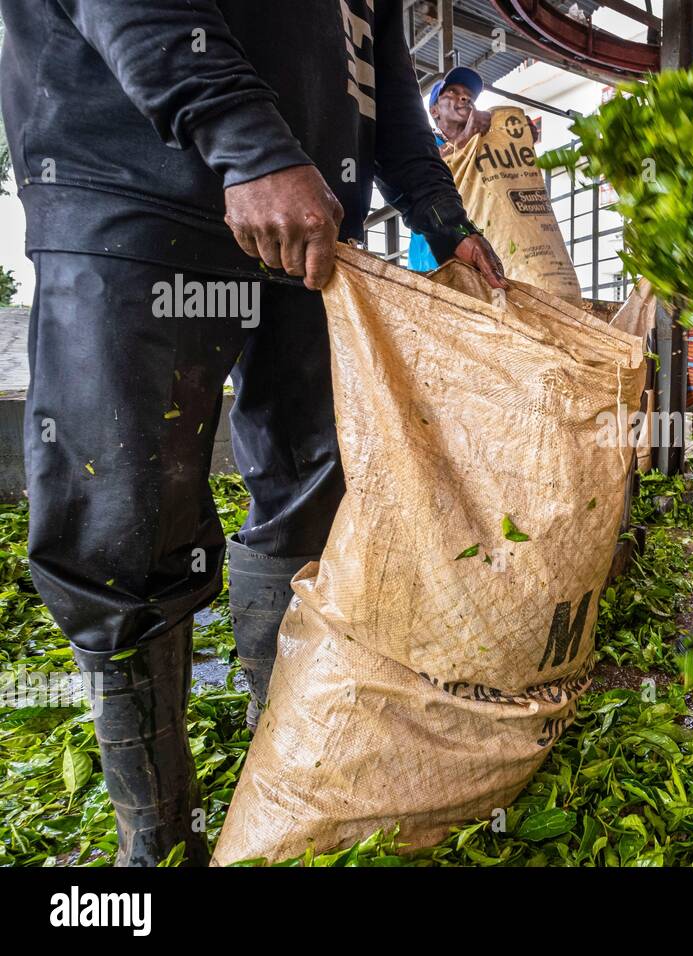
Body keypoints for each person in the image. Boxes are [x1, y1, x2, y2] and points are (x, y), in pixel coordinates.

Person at [0, 0, 506, 866]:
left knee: (313, 486)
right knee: (124, 522)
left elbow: (375, 80)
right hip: (139, 198)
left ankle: (285, 757)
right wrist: (248, 140)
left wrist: (441, 217)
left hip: (309, 227)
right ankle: (158, 844)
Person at [407, 66, 493, 271]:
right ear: (434, 110)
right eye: (452, 92)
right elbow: (427, 167)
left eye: (468, 95)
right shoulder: (425, 141)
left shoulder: (480, 146)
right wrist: (465, 138)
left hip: (477, 243)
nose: (464, 97)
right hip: (432, 253)